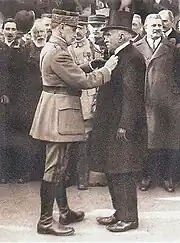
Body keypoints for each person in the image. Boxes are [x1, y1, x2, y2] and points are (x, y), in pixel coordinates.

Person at [30, 8, 118, 236]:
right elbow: (81, 82)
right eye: (72, 29)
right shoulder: (58, 52)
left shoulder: (53, 48)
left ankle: (64, 211)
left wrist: (90, 65)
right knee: (54, 167)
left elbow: (66, 74)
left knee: (60, 165)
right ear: (61, 28)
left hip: (55, 109)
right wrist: (106, 70)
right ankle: (46, 221)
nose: (76, 33)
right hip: (59, 113)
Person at [91, 10, 147, 232]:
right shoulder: (119, 56)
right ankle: (119, 213)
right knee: (113, 169)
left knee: (123, 171)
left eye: (109, 34)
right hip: (111, 124)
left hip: (122, 126)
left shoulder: (132, 57)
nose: (105, 38)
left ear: (122, 36)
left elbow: (132, 95)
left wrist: (125, 124)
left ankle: (130, 218)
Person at [136, 14, 180, 193]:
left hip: (169, 101)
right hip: (146, 101)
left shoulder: (172, 48)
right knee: (146, 140)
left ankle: (168, 178)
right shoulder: (137, 48)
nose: (156, 28)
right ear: (145, 27)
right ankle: (146, 177)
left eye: (159, 25)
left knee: (171, 141)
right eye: (152, 25)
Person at [68, 15, 98, 190]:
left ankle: (82, 177)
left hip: (88, 95)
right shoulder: (67, 48)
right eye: (76, 28)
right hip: (73, 95)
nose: (78, 31)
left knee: (85, 139)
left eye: (82, 27)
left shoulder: (93, 47)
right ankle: (69, 175)